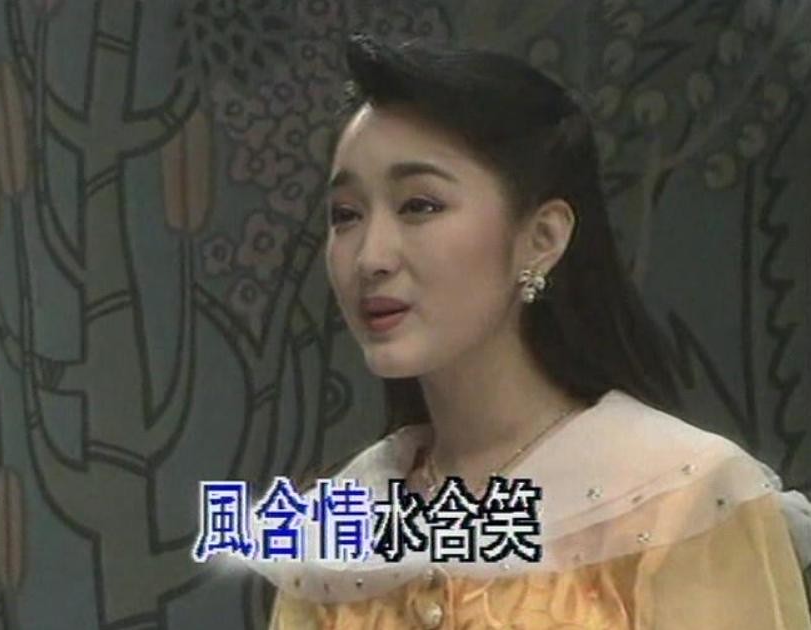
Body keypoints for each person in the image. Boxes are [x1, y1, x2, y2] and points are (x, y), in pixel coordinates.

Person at [253, 33, 811, 628]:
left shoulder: (684, 501)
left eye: (419, 205)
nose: (371, 257)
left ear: (542, 238)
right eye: (345, 215)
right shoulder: (336, 535)